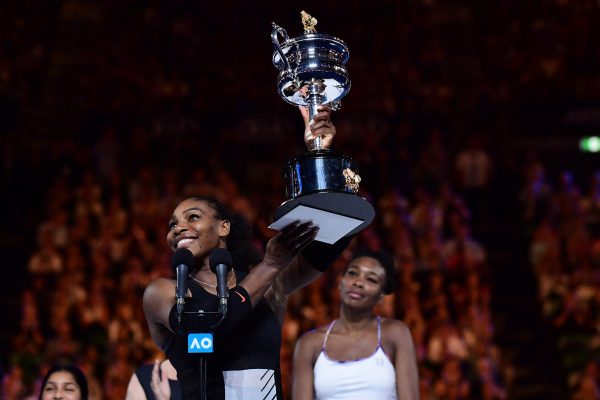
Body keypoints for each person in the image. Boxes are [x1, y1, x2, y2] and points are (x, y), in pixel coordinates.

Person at [143, 106, 351, 399]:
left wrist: (319, 156)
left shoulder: (271, 285)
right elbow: (206, 328)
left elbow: (336, 235)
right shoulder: (161, 294)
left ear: (224, 227)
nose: (178, 228)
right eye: (172, 224)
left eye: (192, 217)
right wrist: (269, 266)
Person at [292, 249, 419, 400]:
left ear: (380, 296)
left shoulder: (395, 333)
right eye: (352, 273)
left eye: (371, 279)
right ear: (340, 283)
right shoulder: (309, 344)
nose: (358, 282)